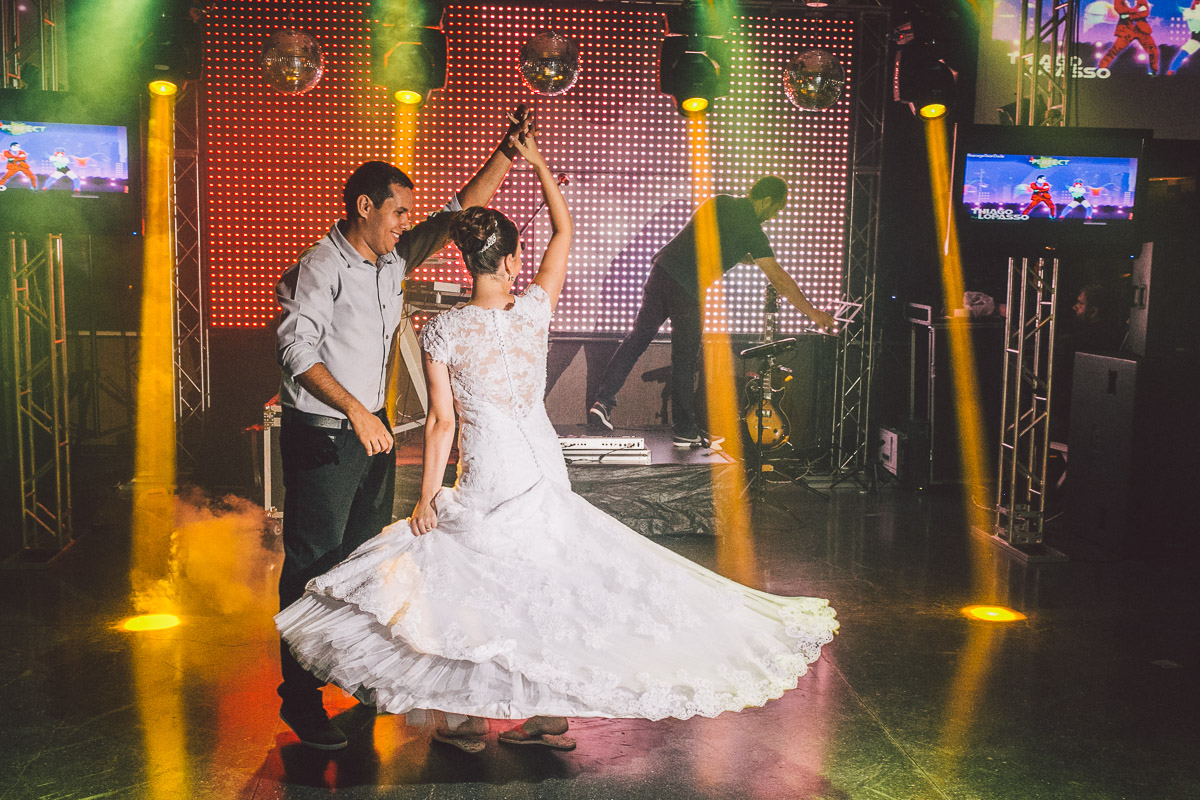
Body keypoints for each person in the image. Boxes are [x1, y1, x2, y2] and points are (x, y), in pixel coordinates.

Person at [275, 130, 838, 755]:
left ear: (465, 260)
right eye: (400, 211)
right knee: (537, 575)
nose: (408, 222)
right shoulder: (530, 310)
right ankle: (528, 712)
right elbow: (559, 235)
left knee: (474, 581)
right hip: (511, 460)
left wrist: (428, 496)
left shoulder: (438, 324)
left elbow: (441, 424)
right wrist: (540, 167)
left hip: (477, 465)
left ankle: (463, 716)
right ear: (513, 261)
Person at [272, 106, 534, 751]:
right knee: (312, 561)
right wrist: (358, 411)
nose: (405, 225)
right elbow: (294, 348)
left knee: (363, 559)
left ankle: (359, 681)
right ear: (365, 207)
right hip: (326, 432)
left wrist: (505, 152)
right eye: (396, 213)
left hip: (371, 430)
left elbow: (459, 213)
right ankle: (298, 699)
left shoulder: (392, 258)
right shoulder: (321, 265)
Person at [587, 177, 836, 446]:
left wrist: (740, 255)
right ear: (765, 200)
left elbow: (706, 239)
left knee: (637, 340)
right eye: (775, 209)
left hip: (661, 272)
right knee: (684, 358)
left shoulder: (721, 202)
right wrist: (815, 314)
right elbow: (778, 277)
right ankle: (684, 429)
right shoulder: (752, 229)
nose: (772, 216)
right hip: (688, 288)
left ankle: (602, 402)